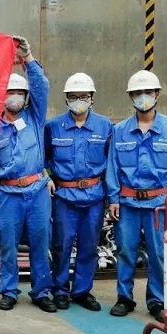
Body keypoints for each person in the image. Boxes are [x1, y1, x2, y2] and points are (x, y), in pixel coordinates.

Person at [0, 36, 56, 312]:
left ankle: (41, 291)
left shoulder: (35, 117)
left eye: (20, 93)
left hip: (36, 191)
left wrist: (27, 58)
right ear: (2, 96)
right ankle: (9, 291)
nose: (16, 97)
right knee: (8, 245)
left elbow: (41, 86)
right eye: (11, 92)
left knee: (40, 243)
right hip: (8, 193)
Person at [106, 70, 167, 323]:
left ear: (157, 94)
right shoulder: (119, 130)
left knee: (158, 254)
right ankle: (124, 298)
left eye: (148, 92)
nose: (143, 97)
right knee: (126, 251)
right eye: (137, 93)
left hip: (160, 205)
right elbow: (113, 167)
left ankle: (156, 300)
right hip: (127, 203)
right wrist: (113, 199)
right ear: (130, 97)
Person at [44, 74, 112, 312]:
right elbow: (42, 159)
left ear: (92, 98)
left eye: (83, 96)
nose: (78, 101)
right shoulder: (53, 127)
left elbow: (112, 163)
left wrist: (111, 197)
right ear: (66, 99)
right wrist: (46, 177)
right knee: (61, 245)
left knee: (89, 246)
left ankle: (82, 291)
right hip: (64, 197)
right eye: (73, 97)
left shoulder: (105, 126)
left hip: (95, 196)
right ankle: (60, 290)